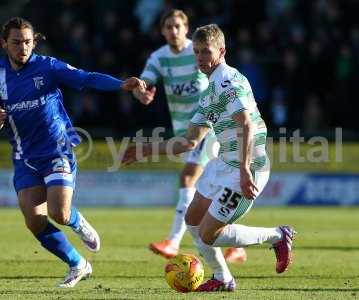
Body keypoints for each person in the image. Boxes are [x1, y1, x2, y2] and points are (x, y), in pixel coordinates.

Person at [123, 24, 296, 292]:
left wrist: (244, 170)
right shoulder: (208, 93)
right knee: (192, 220)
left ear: (222, 51)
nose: (200, 57)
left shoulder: (227, 80)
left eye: (206, 51)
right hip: (223, 164)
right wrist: (145, 150)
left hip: (248, 166)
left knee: (209, 233)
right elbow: (188, 142)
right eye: (196, 52)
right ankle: (222, 278)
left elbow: (246, 125)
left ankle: (277, 236)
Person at [0, 17, 146, 288]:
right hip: (24, 156)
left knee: (60, 213)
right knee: (34, 221)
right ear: (4, 43)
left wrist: (121, 84)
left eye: (28, 42)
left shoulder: (47, 66)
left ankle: (78, 223)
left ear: (34, 42)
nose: (23, 48)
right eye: (16, 42)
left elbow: (86, 78)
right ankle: (78, 264)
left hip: (57, 148)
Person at [132, 9, 246, 263]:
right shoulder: (159, 57)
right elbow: (146, 81)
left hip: (210, 126)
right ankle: (234, 243)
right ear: (162, 31)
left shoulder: (198, 52)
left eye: (178, 26)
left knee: (187, 178)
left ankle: (173, 242)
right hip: (184, 128)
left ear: (186, 28)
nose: (173, 31)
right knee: (211, 187)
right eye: (168, 26)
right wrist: (142, 92)